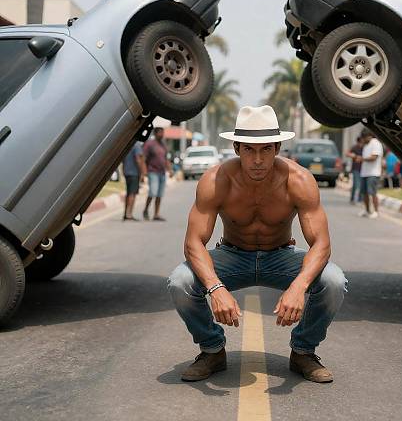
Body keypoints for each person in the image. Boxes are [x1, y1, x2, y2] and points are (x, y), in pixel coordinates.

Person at [168, 106, 347, 383]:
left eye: (265, 150)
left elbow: (321, 243)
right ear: (237, 147)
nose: (258, 160)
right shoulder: (216, 181)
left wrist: (299, 287)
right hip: (232, 256)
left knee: (334, 281)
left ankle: (303, 351)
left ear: (277, 147)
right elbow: (193, 242)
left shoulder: (299, 180)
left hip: (280, 256)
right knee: (180, 281)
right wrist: (216, 288)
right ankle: (212, 350)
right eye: (250, 150)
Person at [143, 127, 171, 221]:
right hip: (153, 172)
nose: (162, 135)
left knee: (159, 194)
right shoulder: (150, 144)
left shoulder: (163, 145)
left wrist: (170, 170)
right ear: (155, 133)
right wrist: (144, 172)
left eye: (163, 133)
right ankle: (146, 209)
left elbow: (166, 158)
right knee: (152, 192)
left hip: (162, 173)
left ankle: (156, 214)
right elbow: (143, 158)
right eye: (160, 133)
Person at [357, 128, 384, 219]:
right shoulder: (366, 145)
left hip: (373, 172)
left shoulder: (376, 143)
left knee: (372, 193)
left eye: (364, 138)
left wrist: (362, 159)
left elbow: (374, 157)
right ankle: (367, 210)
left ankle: (376, 211)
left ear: (369, 136)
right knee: (364, 193)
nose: (363, 140)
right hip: (364, 172)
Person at [122, 142, 146, 221]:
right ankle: (129, 214)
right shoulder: (137, 145)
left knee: (128, 193)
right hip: (134, 173)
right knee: (132, 193)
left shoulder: (128, 144)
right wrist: (142, 172)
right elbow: (138, 159)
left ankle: (126, 213)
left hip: (126, 172)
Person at [346, 136, 363, 204]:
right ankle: (352, 198)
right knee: (356, 184)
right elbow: (347, 153)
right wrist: (353, 155)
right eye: (360, 142)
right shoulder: (355, 147)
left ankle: (360, 199)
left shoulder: (365, 147)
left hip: (363, 169)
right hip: (355, 168)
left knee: (361, 185)